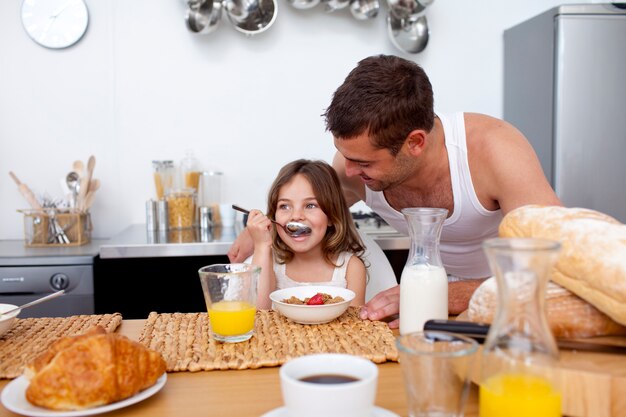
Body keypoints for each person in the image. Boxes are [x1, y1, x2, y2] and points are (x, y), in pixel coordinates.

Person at [230, 54, 561, 327]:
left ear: (415, 142)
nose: (348, 172)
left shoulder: (495, 152)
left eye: (364, 163)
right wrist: (265, 224)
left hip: (509, 310)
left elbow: (559, 269)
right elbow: (311, 207)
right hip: (423, 311)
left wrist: (452, 294)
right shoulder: (351, 166)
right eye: (344, 155)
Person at [245, 159, 367, 309]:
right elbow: (257, 316)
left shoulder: (351, 268)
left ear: (331, 215)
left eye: (310, 205)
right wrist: (262, 246)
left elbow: (356, 327)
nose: (296, 216)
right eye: (284, 206)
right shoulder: (269, 262)